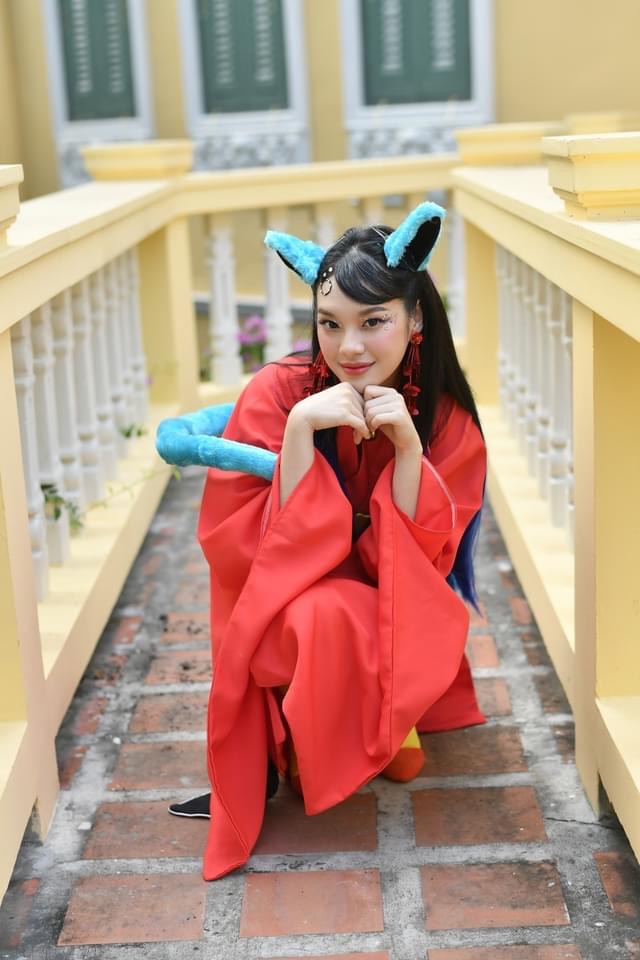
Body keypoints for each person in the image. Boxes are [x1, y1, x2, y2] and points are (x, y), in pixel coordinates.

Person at [166, 202, 487, 880]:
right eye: (330, 323)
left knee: (350, 611)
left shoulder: (447, 420)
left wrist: (407, 452)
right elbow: (241, 548)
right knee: (314, 613)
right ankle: (315, 730)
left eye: (374, 322)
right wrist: (298, 434)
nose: (349, 348)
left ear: (415, 320)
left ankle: (388, 712)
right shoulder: (280, 392)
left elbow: (422, 570)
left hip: (392, 599)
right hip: (289, 594)